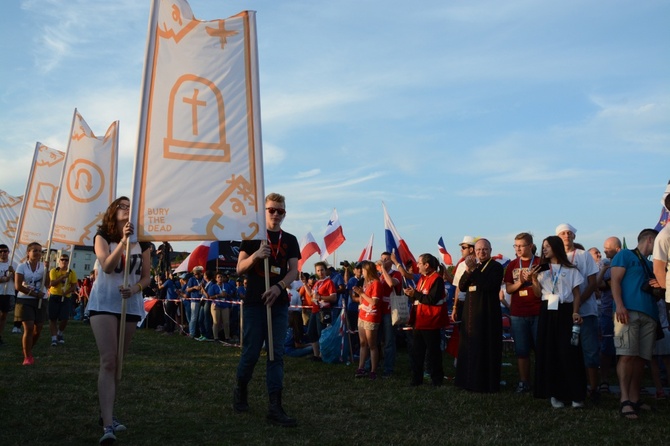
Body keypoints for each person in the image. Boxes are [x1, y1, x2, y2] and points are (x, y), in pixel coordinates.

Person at [86, 196, 151, 443]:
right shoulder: (102, 236)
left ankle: (107, 412)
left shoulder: (143, 243)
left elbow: (145, 277)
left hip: (130, 304)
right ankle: (107, 426)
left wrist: (135, 290)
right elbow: (106, 266)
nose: (127, 209)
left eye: (130, 207)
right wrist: (123, 242)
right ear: (114, 212)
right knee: (109, 360)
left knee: (118, 363)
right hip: (104, 303)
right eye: (123, 206)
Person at [233, 193, 300, 427]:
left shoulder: (290, 239)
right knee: (251, 353)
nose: (275, 214)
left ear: (285, 213)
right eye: (271, 210)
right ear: (264, 212)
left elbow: (294, 271)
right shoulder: (252, 237)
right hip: (254, 303)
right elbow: (240, 268)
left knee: (276, 354)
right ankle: (241, 388)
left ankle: (275, 406)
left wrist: (279, 287)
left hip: (278, 303)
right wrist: (256, 256)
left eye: (280, 211)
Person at [530, 235, 586, 408]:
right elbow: (538, 294)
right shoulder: (541, 270)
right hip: (547, 311)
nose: (544, 249)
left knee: (568, 351)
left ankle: (575, 394)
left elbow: (576, 294)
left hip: (565, 310)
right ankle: (554, 394)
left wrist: (575, 312)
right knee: (550, 350)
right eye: (543, 246)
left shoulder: (570, 269)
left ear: (556, 247)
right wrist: (533, 279)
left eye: (547, 246)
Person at [610, 228, 660, 419]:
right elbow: (615, 280)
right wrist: (620, 305)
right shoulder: (625, 254)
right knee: (627, 355)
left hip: (649, 314)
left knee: (641, 358)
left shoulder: (650, 264)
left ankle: (635, 398)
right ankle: (624, 400)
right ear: (650, 239)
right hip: (628, 312)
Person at [556, 223, 601, 402]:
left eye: (569, 233)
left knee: (589, 350)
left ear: (574, 236)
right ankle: (572, 385)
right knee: (569, 350)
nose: (566, 235)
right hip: (564, 312)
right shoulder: (555, 257)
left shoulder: (583, 255)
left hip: (586, 310)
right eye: (562, 233)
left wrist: (579, 301)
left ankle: (594, 388)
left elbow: (592, 282)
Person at [455, 238, 505, 393]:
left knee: (485, 347)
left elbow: (488, 285)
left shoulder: (495, 267)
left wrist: (474, 269)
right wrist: (469, 270)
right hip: (470, 313)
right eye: (478, 250)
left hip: (487, 313)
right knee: (469, 346)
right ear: (474, 251)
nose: (481, 252)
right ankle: (467, 381)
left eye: (484, 249)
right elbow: (462, 286)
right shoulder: (470, 267)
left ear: (490, 250)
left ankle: (484, 383)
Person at [504, 233, 541, 393]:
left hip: (538, 311)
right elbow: (509, 289)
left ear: (531, 246)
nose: (518, 248)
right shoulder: (512, 265)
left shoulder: (540, 263)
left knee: (540, 349)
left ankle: (542, 381)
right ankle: (524, 382)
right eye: (515, 246)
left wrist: (533, 279)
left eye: (521, 245)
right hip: (518, 313)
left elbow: (541, 292)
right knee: (521, 349)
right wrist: (519, 281)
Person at [404, 253, 446, 387]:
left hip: (431, 322)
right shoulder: (422, 279)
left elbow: (432, 299)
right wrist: (411, 294)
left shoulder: (437, 279)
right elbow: (419, 299)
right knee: (417, 353)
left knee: (433, 353)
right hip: (419, 321)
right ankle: (416, 380)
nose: (417, 266)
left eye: (419, 263)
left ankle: (437, 381)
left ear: (427, 265)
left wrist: (415, 294)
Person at [14, 241, 50, 365]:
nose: (38, 253)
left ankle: (28, 349)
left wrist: (47, 269)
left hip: (41, 300)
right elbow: (18, 286)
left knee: (37, 329)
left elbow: (47, 284)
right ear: (28, 252)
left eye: (40, 251)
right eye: (35, 250)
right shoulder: (22, 266)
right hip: (25, 300)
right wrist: (34, 294)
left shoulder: (43, 266)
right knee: (28, 327)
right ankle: (27, 356)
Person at [351, 260, 385, 380]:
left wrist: (362, 293)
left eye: (363, 270)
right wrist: (359, 294)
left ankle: (373, 370)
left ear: (368, 270)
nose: (361, 272)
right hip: (362, 314)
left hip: (371, 315)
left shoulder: (376, 283)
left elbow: (374, 302)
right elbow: (363, 300)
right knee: (362, 343)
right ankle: (361, 367)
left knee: (372, 344)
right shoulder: (366, 283)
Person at [596, 237, 621, 393]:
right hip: (606, 312)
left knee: (624, 348)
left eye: (607, 248)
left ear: (617, 249)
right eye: (604, 247)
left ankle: (625, 379)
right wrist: (605, 270)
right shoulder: (604, 264)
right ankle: (604, 380)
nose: (604, 251)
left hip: (622, 311)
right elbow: (598, 285)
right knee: (606, 347)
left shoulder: (623, 263)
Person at [303, 261, 337, 360]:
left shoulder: (329, 282)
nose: (320, 272)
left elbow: (334, 297)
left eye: (322, 270)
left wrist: (321, 297)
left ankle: (322, 355)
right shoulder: (317, 282)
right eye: (318, 270)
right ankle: (316, 354)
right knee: (311, 332)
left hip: (323, 310)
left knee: (321, 333)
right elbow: (311, 295)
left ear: (325, 270)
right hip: (315, 310)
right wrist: (305, 284)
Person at [378, 251, 403, 377]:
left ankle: (388, 369)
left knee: (389, 341)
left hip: (390, 311)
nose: (383, 261)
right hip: (378, 311)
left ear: (391, 261)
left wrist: (383, 270)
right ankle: (374, 365)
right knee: (376, 340)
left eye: (386, 259)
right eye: (382, 259)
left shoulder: (396, 274)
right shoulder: (379, 275)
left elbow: (391, 283)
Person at [47, 253, 78, 346]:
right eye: (62, 260)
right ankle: (54, 338)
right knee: (53, 318)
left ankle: (60, 333)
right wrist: (62, 277)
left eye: (66, 260)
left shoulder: (72, 272)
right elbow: (52, 283)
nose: (64, 261)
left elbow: (74, 286)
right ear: (59, 261)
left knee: (65, 318)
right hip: (54, 296)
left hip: (66, 297)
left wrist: (67, 292)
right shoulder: (54, 271)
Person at [451, 236, 476, 322]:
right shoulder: (461, 265)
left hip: (475, 303)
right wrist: (455, 307)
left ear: (471, 249)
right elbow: (457, 288)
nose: (461, 250)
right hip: (462, 304)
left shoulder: (480, 264)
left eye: (463, 247)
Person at [0, 243, 16, 345]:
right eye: (0, 252)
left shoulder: (13, 264)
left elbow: (19, 279)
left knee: (3, 315)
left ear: (8, 252)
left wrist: (13, 272)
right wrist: (2, 279)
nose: (3, 253)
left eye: (5, 251)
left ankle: (0, 335)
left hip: (8, 292)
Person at [186, 266, 205, 339]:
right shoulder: (191, 279)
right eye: (194, 273)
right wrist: (194, 287)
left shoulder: (203, 279)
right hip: (194, 300)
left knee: (201, 318)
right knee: (193, 318)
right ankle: (192, 333)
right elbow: (187, 289)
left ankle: (200, 333)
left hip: (202, 300)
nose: (195, 275)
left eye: (197, 273)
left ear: (201, 273)